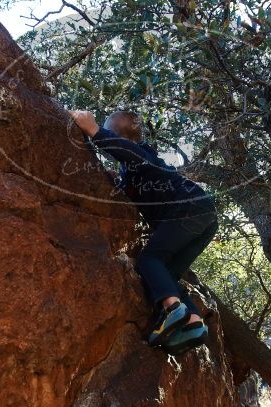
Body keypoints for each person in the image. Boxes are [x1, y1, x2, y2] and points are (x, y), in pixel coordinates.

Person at [69, 110, 218, 356]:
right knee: (166, 274)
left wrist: (95, 131)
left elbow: (129, 153)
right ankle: (193, 322)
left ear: (120, 138)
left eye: (109, 132)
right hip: (203, 217)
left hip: (189, 208)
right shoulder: (136, 170)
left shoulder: (141, 154)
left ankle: (173, 310)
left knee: (150, 260)